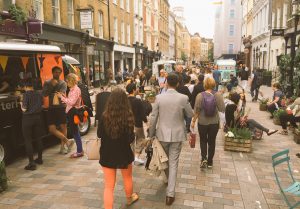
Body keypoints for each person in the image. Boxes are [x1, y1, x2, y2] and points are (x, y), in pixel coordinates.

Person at [149, 73, 193, 206]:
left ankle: (169, 182)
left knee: (165, 160)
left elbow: (153, 118)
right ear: (178, 84)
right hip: (177, 135)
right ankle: (170, 194)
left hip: (162, 134)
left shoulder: (159, 98)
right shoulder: (183, 98)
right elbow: (190, 114)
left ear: (166, 83)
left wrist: (151, 135)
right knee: (173, 163)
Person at [97, 88, 139, 209]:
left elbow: (99, 134)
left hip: (107, 153)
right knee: (127, 177)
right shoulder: (128, 116)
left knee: (109, 186)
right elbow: (130, 139)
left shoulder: (104, 116)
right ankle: (129, 198)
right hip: (124, 153)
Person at [191, 77, 225, 169]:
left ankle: (203, 159)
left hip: (202, 122)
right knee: (212, 142)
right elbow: (222, 109)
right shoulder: (217, 95)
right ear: (214, 84)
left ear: (204, 85)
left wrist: (193, 121)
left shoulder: (200, 95)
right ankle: (210, 162)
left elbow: (196, 110)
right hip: (214, 122)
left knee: (203, 141)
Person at [42, 66, 74, 154]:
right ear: (52, 73)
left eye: (59, 72)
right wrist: (52, 86)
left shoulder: (63, 83)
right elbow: (44, 94)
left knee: (63, 127)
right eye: (56, 72)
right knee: (51, 129)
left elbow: (61, 94)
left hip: (61, 107)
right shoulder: (47, 82)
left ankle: (63, 147)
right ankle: (68, 141)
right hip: (51, 108)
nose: (57, 74)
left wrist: (55, 86)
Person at [57, 73, 84, 158]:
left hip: (73, 112)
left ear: (71, 81)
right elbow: (71, 100)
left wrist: (61, 97)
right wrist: (64, 97)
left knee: (75, 132)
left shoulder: (75, 89)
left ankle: (80, 151)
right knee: (75, 132)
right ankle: (79, 150)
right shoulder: (73, 89)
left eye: (67, 81)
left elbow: (72, 102)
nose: (66, 83)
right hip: (71, 112)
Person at [21, 79, 44, 170]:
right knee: (38, 138)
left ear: (26, 87)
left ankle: (31, 163)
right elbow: (41, 105)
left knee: (28, 140)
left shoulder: (26, 95)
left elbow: (24, 109)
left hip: (28, 119)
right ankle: (40, 159)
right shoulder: (39, 93)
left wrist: (21, 104)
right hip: (38, 118)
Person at [126, 83, 148, 165]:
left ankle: (130, 158)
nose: (138, 90)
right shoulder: (137, 101)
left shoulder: (124, 100)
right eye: (136, 89)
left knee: (130, 141)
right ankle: (136, 157)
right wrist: (146, 122)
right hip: (137, 124)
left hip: (127, 124)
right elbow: (142, 114)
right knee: (141, 139)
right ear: (133, 90)